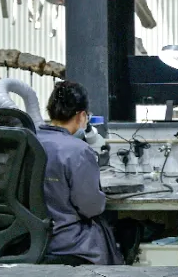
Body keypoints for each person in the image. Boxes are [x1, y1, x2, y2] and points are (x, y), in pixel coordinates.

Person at [35, 81, 122, 265]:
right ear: (82, 116)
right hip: (68, 243)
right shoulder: (78, 151)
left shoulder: (29, 141)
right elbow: (91, 207)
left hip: (31, 243)